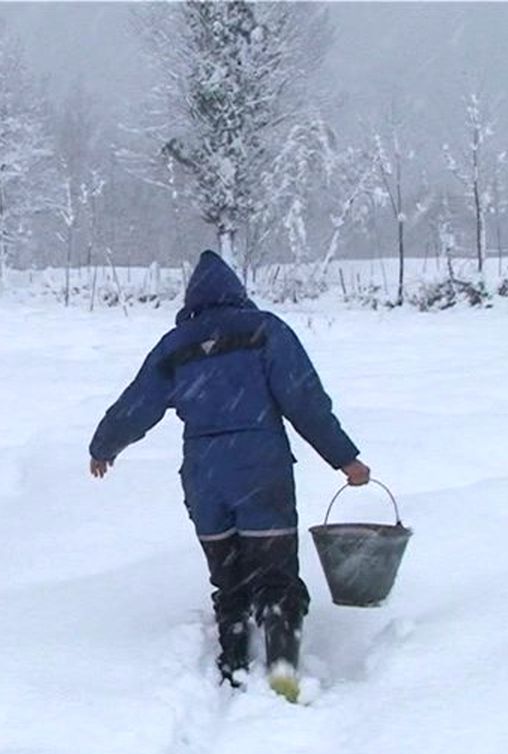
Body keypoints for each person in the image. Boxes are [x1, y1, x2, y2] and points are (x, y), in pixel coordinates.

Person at [88, 250, 369, 701]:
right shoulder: (265, 331)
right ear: (237, 293)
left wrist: (104, 445)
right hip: (261, 467)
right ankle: (281, 664)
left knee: (229, 578)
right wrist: (345, 458)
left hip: (204, 474)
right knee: (275, 573)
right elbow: (305, 401)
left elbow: (138, 403)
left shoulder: (175, 346)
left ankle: (234, 663)